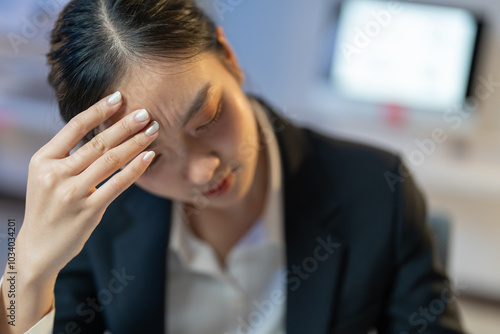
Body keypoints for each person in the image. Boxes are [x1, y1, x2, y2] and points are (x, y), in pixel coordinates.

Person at [0, 0, 466, 333]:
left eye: (208, 119)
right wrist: (26, 268)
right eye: (153, 158)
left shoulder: (374, 190)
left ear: (230, 56)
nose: (202, 172)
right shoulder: (98, 213)